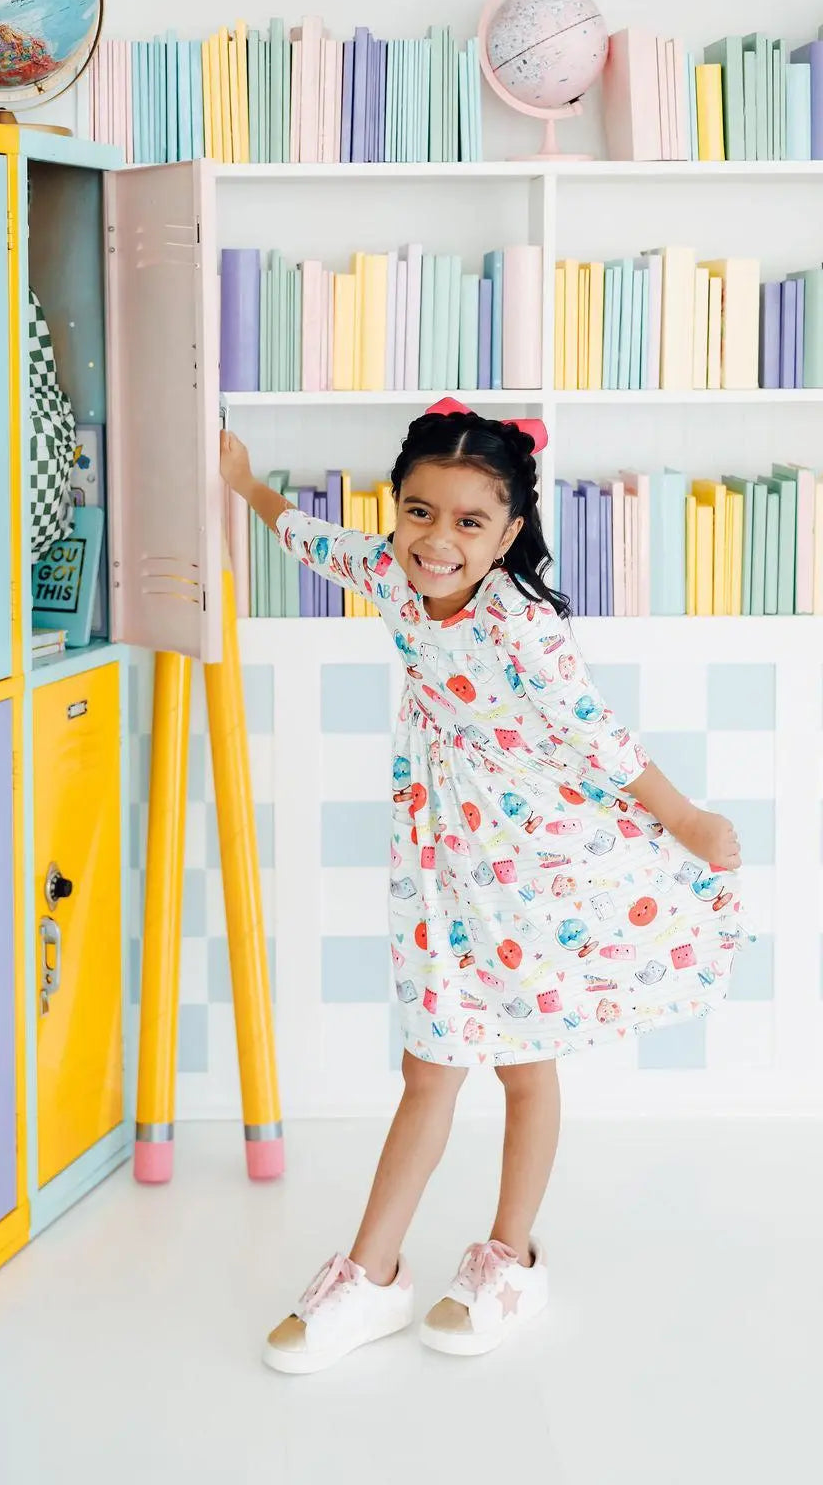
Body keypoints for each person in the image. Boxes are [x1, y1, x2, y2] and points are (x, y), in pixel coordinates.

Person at [219, 403, 749, 1376]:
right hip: (437, 855)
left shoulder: (522, 624)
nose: (437, 540)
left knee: (520, 1057)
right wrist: (245, 483)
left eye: (469, 521)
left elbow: (599, 735)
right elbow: (313, 541)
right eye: (419, 511)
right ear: (398, 510)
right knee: (430, 1062)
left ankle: (510, 1255)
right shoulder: (388, 569)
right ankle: (371, 1275)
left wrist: (682, 818)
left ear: (508, 533)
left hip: (540, 857)